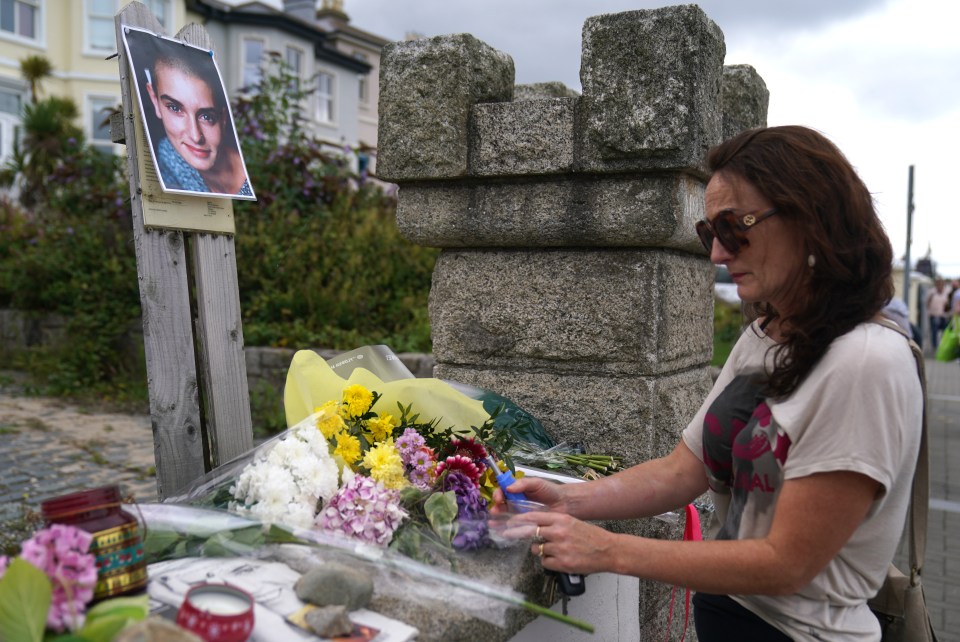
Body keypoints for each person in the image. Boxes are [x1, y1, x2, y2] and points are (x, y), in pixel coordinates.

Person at [497, 126, 923, 641]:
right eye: (709, 233)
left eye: (734, 227)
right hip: (731, 617)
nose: (717, 254)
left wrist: (608, 550)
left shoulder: (864, 362)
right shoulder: (768, 333)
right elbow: (684, 470)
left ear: (812, 219)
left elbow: (787, 563)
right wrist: (571, 500)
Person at [144, 42, 252, 197]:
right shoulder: (166, 161)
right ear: (155, 101)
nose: (195, 136)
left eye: (207, 117)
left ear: (223, 118)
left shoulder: (252, 168)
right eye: (175, 108)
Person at [924, 278, 950, 348]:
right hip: (934, 315)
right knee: (934, 332)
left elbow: (949, 303)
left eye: (941, 284)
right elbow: (927, 303)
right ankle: (934, 347)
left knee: (945, 332)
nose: (940, 286)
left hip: (944, 315)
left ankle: (944, 346)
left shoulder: (947, 292)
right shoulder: (932, 292)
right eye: (938, 284)